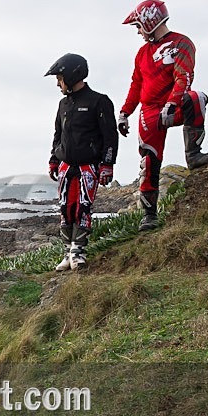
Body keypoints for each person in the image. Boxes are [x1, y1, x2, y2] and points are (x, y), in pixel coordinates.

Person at [119, 0, 208, 231]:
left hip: (171, 105)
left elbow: (183, 76)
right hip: (149, 111)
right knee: (148, 161)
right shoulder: (142, 53)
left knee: (197, 98)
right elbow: (136, 84)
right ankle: (149, 215)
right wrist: (125, 112)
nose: (137, 31)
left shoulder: (181, 43)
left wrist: (172, 104)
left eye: (138, 26)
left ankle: (193, 154)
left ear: (149, 21)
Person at [45, 53, 118, 271]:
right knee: (65, 209)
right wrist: (53, 160)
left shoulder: (99, 101)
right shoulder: (63, 104)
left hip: (89, 166)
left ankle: (79, 252)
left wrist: (107, 165)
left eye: (59, 78)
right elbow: (58, 134)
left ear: (71, 74)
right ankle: (68, 252)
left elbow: (110, 136)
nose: (58, 83)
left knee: (82, 208)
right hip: (66, 165)